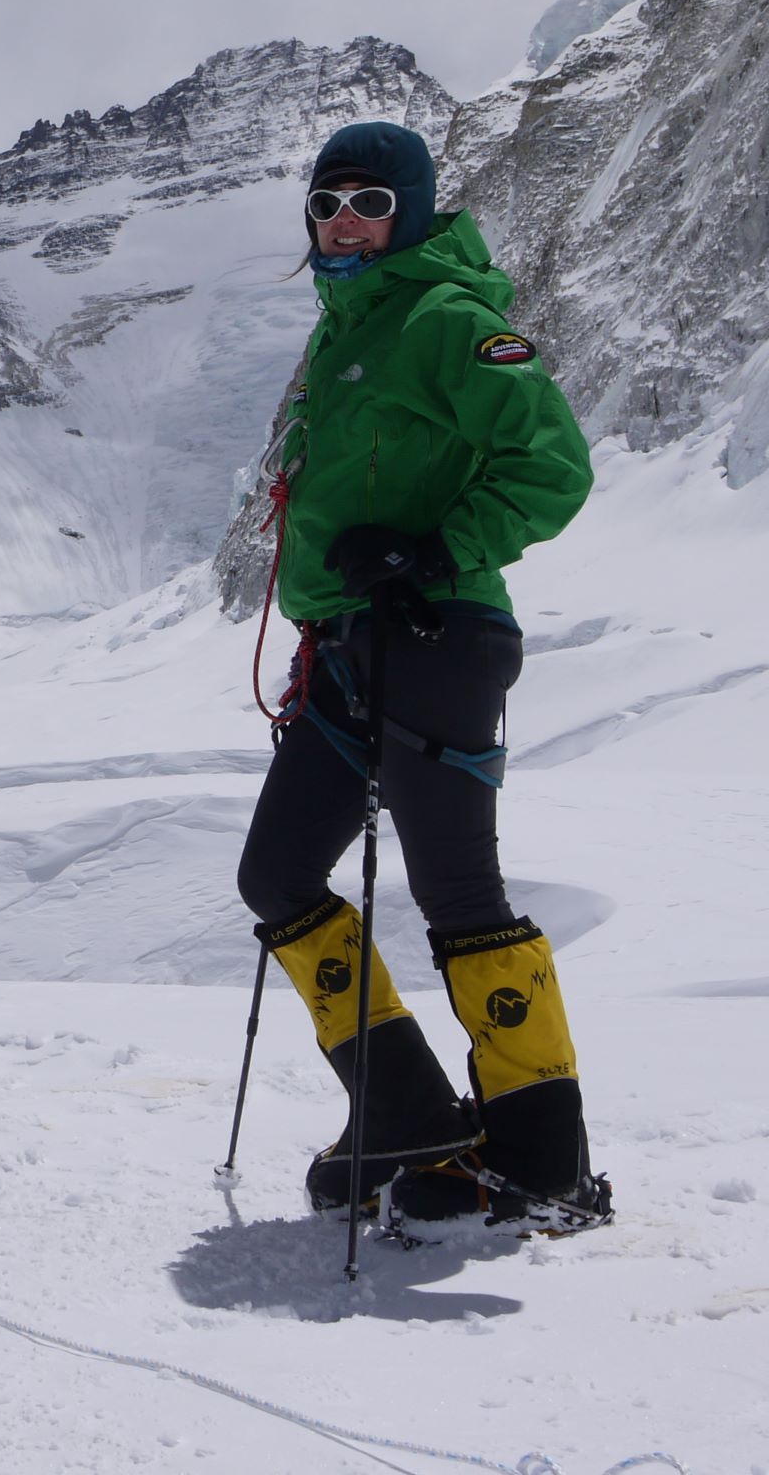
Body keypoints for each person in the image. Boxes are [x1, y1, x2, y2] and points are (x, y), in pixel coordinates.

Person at [239, 120, 607, 1227]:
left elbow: (551, 466)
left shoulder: (447, 320)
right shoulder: (349, 333)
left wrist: (432, 551)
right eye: (325, 204)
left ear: (413, 209)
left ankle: (543, 1159)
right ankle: (407, 1109)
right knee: (279, 875)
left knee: (459, 894)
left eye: (367, 201)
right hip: (348, 649)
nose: (342, 221)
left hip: (438, 631)